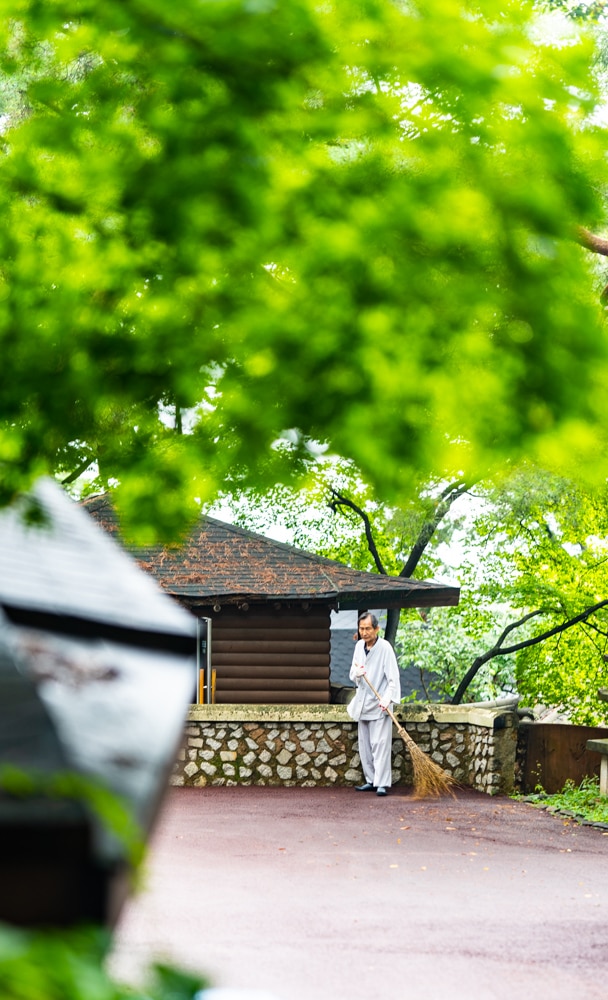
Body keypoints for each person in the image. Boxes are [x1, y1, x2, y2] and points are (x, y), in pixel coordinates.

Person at [347, 611, 401, 797]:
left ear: (377, 629)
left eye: (368, 628)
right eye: (361, 629)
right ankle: (370, 780)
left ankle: (381, 783)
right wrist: (357, 673)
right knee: (365, 745)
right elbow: (352, 673)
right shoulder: (358, 647)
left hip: (379, 705)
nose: (364, 632)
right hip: (363, 703)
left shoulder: (385, 648)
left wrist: (387, 700)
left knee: (380, 744)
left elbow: (393, 679)